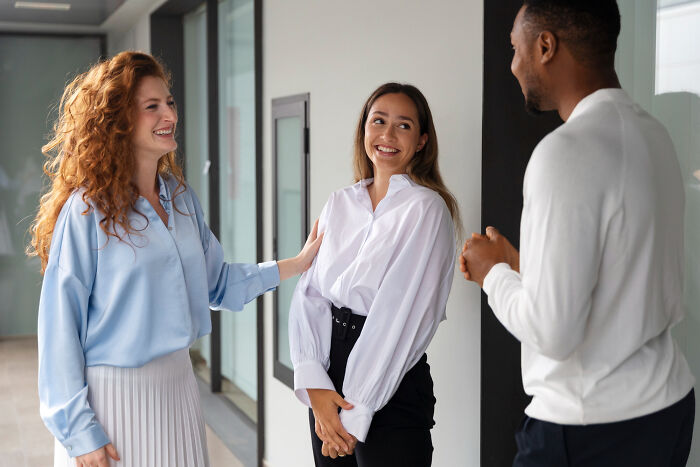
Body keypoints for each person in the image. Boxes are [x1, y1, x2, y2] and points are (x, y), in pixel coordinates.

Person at [28, 51, 322, 467]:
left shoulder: (181, 200)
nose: (169, 113)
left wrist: (294, 265)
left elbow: (215, 284)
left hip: (178, 390)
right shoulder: (86, 211)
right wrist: (79, 432)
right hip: (112, 402)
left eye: (170, 102)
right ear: (119, 121)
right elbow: (59, 328)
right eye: (153, 106)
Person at [460, 1, 695, 465]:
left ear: (545, 46)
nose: (512, 65)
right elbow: (620, 277)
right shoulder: (655, 137)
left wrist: (492, 275)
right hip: (667, 408)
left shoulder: (564, 153)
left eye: (515, 48)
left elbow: (554, 330)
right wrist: (522, 263)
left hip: (591, 428)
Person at [289, 83, 460, 467]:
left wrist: (356, 410)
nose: (386, 134)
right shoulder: (340, 202)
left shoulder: (426, 210)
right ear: (363, 130)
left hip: (391, 375)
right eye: (378, 121)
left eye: (403, 125)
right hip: (328, 370)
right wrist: (314, 383)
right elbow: (311, 294)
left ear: (421, 141)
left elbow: (401, 315)